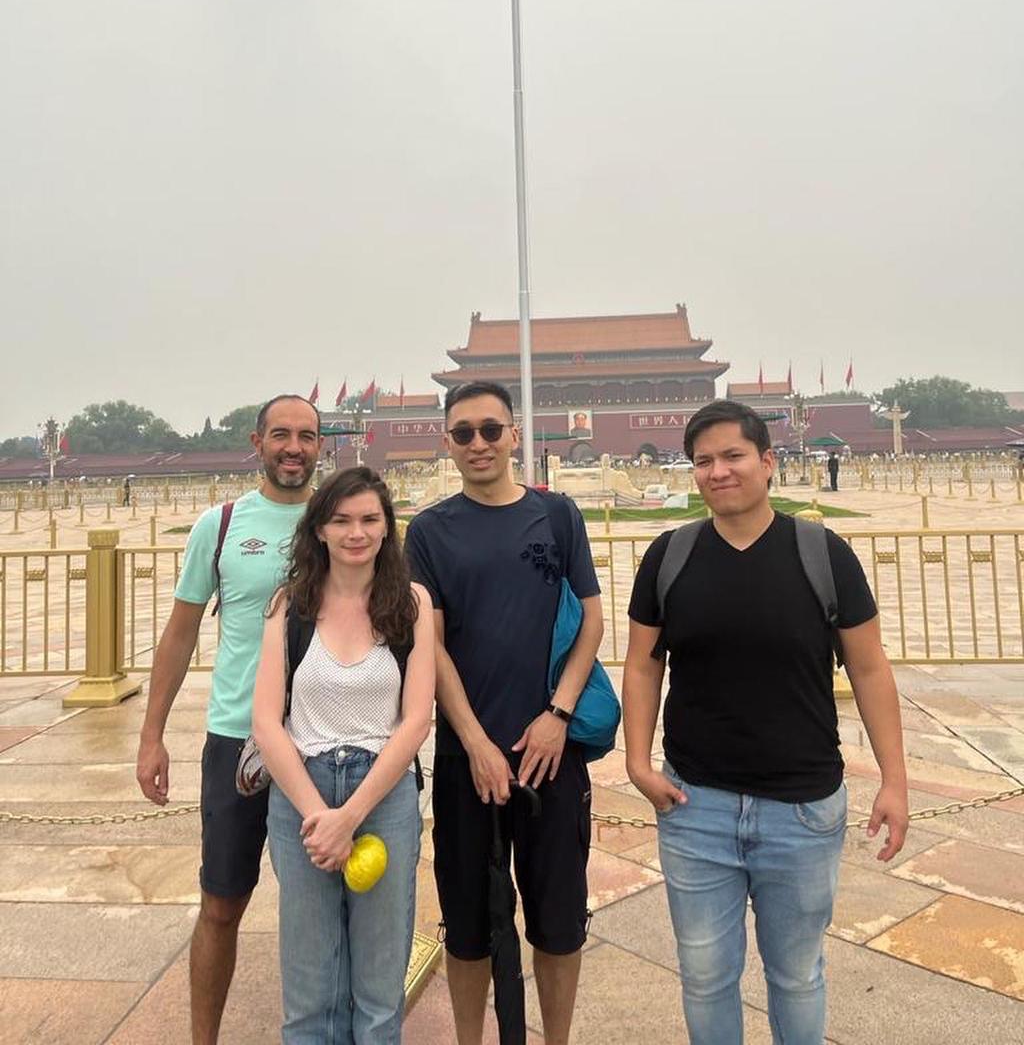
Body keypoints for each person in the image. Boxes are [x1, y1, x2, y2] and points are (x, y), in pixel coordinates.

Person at [622, 400, 907, 1045]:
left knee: (797, 975)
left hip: (801, 808)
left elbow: (869, 668)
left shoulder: (823, 554)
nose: (718, 471)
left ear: (768, 461)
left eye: (733, 456)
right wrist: (637, 762)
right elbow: (643, 664)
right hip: (695, 804)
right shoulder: (670, 556)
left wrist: (894, 780)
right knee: (705, 976)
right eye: (703, 461)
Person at [404, 381, 604, 1045]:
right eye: (464, 433)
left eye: (491, 429)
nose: (479, 443)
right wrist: (475, 742)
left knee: (559, 923)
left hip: (553, 752)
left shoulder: (558, 516)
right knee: (467, 928)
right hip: (468, 760)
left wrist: (558, 714)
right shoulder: (429, 532)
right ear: (448, 442)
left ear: (514, 435)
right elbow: (430, 644)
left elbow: (592, 621)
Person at [136, 395, 321, 1044]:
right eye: (281, 435)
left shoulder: (343, 520)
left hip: (323, 741)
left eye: (306, 436)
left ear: (320, 446)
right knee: (220, 904)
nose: (293, 448)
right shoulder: (220, 526)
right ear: (257, 442)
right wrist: (152, 735)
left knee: (324, 910)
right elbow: (180, 632)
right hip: (237, 738)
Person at [252, 467, 434, 1043]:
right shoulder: (290, 605)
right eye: (342, 520)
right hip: (301, 793)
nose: (357, 533)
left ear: (387, 527)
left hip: (382, 793)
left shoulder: (411, 604)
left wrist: (350, 816)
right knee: (310, 988)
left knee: (380, 987)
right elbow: (266, 721)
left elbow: (416, 719)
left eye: (369, 520)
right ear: (320, 530)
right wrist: (320, 819)